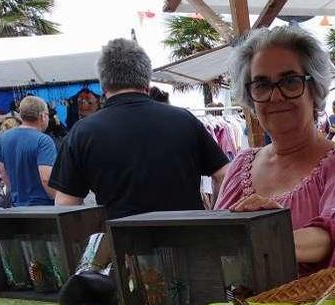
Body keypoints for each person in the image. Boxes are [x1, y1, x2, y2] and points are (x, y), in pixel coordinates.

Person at [215, 26, 335, 275]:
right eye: (261, 85)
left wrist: (270, 235)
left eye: (290, 81)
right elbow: (215, 243)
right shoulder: (241, 165)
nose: (275, 96)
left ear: (314, 89)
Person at [50, 38, 229, 219]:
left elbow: (66, 206)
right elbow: (224, 175)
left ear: (103, 84)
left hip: (123, 242)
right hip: (190, 238)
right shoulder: (185, 120)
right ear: (147, 80)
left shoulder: (81, 133)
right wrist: (212, 215)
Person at [0, 96, 57, 206]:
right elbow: (46, 178)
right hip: (43, 207)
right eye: (48, 115)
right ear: (42, 116)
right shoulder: (43, 141)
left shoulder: (4, 138)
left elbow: (2, 172)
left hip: (17, 207)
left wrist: (16, 194)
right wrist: (58, 200)